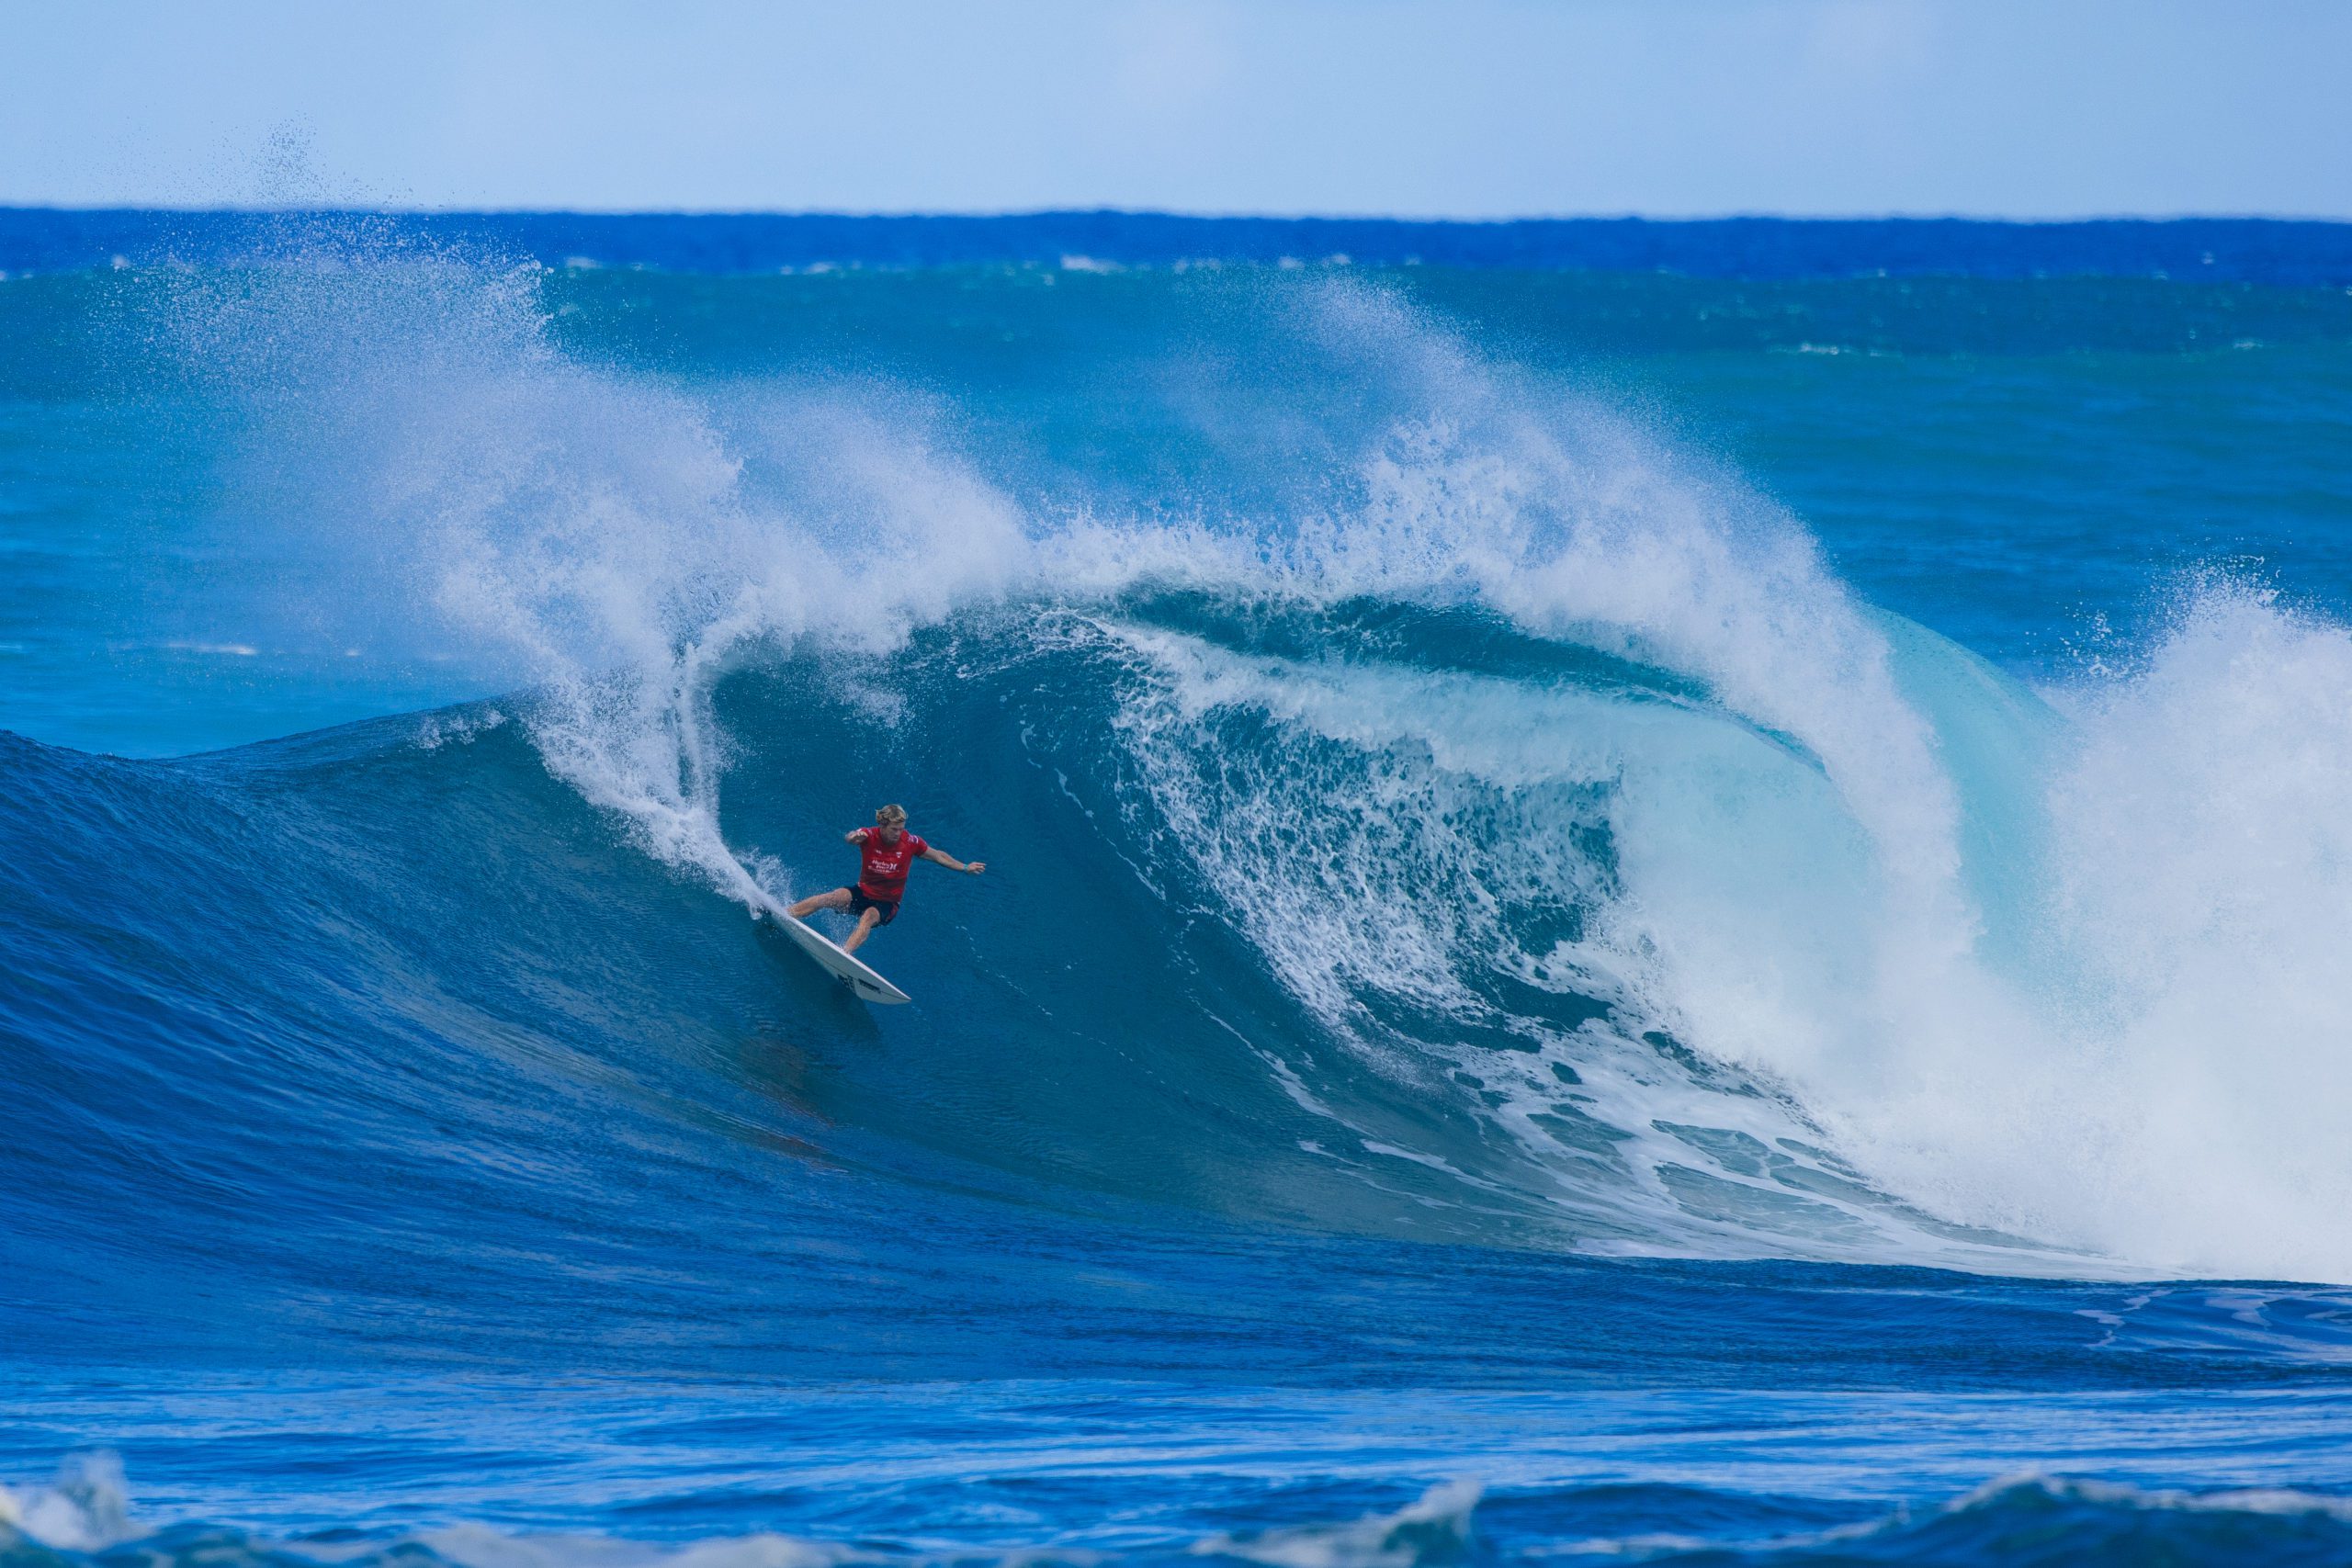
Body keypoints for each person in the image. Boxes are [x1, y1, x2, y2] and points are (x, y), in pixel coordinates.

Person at [786, 804, 985, 953]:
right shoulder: (869, 835)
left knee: (869, 917)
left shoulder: (911, 842)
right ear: (882, 825)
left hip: (887, 904)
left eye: (901, 829)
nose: (899, 834)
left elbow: (938, 855)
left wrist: (965, 867)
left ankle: (844, 955)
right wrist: (852, 837)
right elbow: (851, 837)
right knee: (830, 897)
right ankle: (785, 914)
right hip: (862, 892)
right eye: (894, 829)